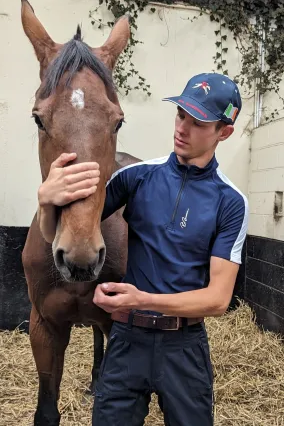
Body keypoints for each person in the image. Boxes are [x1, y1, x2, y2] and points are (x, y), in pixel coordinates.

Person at [38, 72, 249, 425]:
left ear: (223, 132)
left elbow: (217, 300)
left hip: (184, 347)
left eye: (197, 122)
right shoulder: (136, 178)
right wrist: (46, 201)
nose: (182, 127)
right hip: (127, 341)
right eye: (181, 114)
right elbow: (55, 235)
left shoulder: (230, 202)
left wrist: (141, 300)